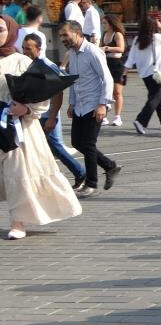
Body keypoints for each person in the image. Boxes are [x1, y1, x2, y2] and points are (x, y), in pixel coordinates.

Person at [0, 16, 81, 240]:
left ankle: (18, 221)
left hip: (18, 128)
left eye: (1, 29)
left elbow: (41, 93)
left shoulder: (21, 61)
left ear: (11, 31)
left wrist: (26, 109)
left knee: (18, 174)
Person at [59, 21, 120, 199]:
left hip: (95, 104)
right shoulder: (72, 53)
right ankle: (110, 166)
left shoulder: (92, 51)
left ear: (77, 33)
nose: (62, 39)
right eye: (61, 36)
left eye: (65, 35)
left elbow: (107, 78)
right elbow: (73, 80)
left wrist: (103, 104)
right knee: (77, 142)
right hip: (80, 105)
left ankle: (91, 184)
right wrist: (71, 103)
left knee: (88, 144)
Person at [21, 33, 86, 190]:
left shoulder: (47, 66)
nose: (24, 51)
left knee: (53, 147)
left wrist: (52, 117)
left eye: (28, 48)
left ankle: (80, 173)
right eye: (23, 48)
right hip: (33, 114)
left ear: (38, 48)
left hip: (46, 115)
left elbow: (58, 93)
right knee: (39, 148)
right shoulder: (28, 64)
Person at [124, 17, 161, 135]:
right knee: (155, 97)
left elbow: (131, 58)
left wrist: (125, 72)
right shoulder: (157, 38)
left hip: (144, 73)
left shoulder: (137, 39)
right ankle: (141, 121)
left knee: (158, 95)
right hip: (157, 72)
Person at [100, 15, 126, 127]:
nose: (103, 25)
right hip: (106, 63)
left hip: (117, 64)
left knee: (117, 92)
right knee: (105, 90)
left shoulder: (117, 34)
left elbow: (121, 48)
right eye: (103, 23)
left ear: (111, 24)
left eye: (105, 23)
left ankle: (117, 117)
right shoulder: (104, 35)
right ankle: (104, 116)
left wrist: (107, 48)